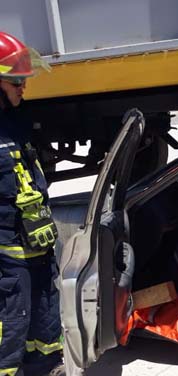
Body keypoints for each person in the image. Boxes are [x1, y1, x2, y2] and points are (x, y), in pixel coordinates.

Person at [0, 31, 64, 376]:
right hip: (6, 252)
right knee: (11, 317)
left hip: (35, 245)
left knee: (44, 309)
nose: (23, 88)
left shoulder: (16, 125)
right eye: (16, 81)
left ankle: (46, 365)